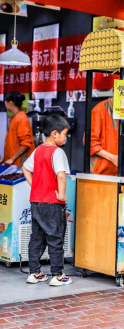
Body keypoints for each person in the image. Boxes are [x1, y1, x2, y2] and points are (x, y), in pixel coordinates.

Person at [22, 115, 72, 286]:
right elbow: (61, 175)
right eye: (65, 134)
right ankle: (57, 275)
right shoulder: (57, 152)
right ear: (55, 134)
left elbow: (25, 168)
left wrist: (34, 185)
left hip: (36, 201)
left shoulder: (38, 150)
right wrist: (61, 195)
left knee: (36, 237)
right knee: (55, 238)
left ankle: (34, 272)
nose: (66, 138)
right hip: (52, 203)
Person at [89, 85, 124, 175]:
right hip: (101, 171)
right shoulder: (98, 110)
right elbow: (91, 143)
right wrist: (111, 157)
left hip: (121, 170)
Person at [1, 91, 35, 166]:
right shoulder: (14, 118)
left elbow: (25, 143)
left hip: (19, 165)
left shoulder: (21, 118)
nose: (5, 104)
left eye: (5, 102)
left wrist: (12, 159)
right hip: (12, 164)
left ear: (10, 103)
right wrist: (4, 159)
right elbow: (12, 144)